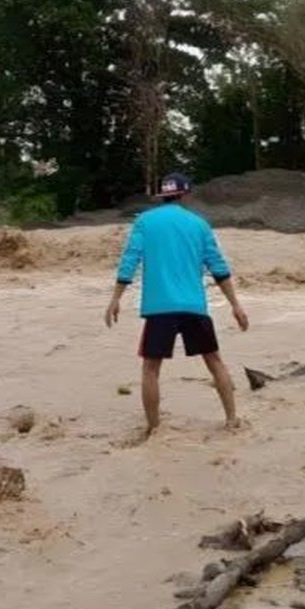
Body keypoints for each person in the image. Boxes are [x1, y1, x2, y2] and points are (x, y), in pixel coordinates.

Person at [104, 172, 249, 436]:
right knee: (214, 361)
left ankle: (154, 428)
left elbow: (130, 261)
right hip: (194, 306)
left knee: (150, 368)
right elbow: (218, 267)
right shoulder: (199, 224)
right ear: (185, 194)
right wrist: (235, 305)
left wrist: (116, 299)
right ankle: (231, 420)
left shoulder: (145, 222)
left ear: (163, 195)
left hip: (159, 308)